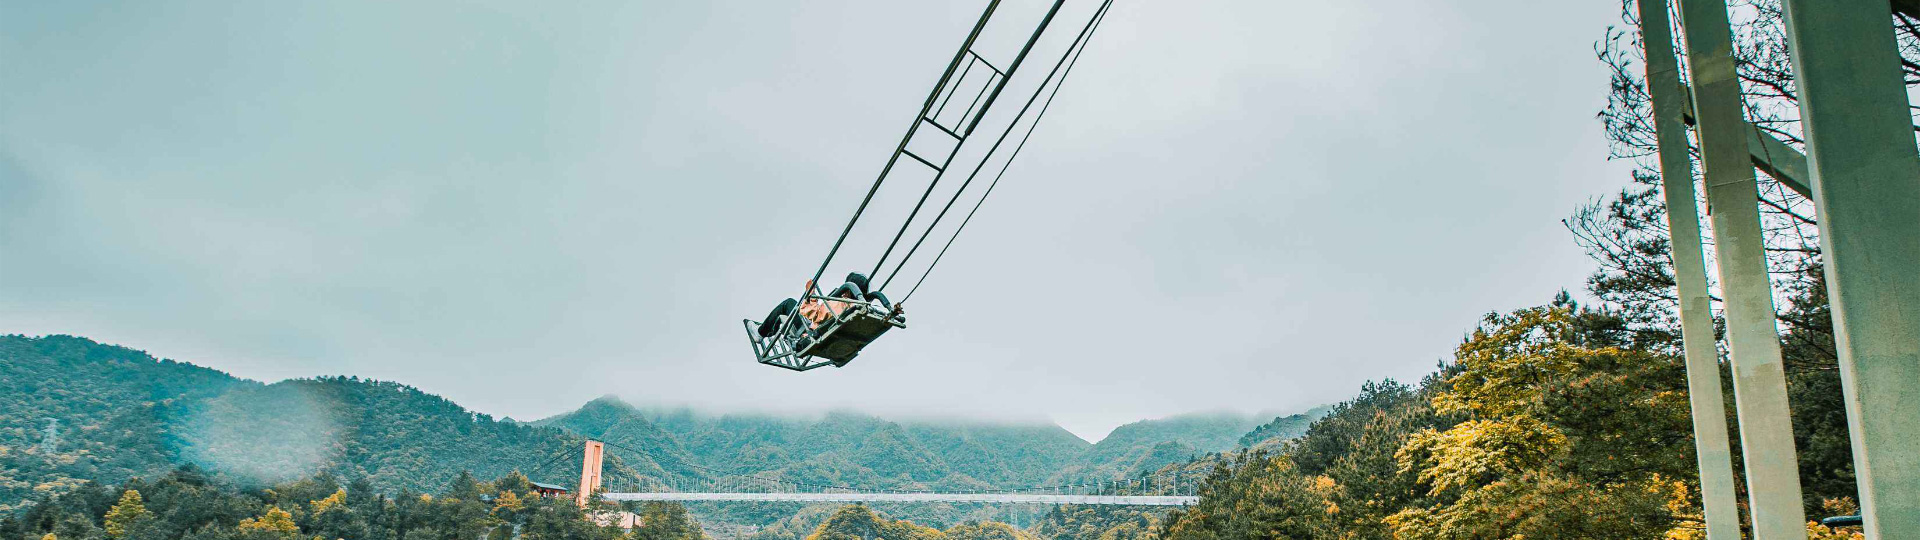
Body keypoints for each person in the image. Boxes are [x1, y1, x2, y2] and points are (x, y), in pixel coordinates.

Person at [755, 273, 901, 339]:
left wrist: (810, 296)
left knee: (789, 303)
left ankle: (760, 333)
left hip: (810, 331)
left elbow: (814, 315)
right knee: (788, 311)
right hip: (837, 335)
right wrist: (891, 311)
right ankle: (772, 329)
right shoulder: (863, 309)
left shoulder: (841, 303)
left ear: (847, 290)